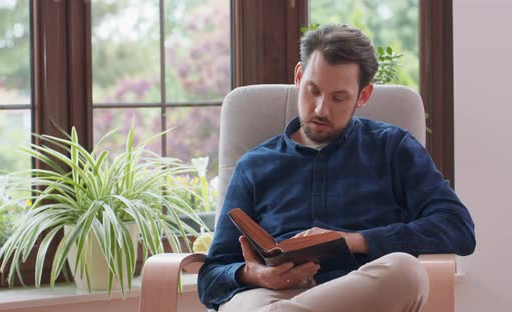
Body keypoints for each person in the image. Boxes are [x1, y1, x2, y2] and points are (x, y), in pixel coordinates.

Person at [198, 24, 476, 312]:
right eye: (313, 90)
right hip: (275, 294)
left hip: (360, 294)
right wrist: (254, 275)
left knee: (407, 271)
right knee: (244, 303)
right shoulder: (254, 165)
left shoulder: (393, 148)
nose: (320, 109)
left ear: (363, 96)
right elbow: (210, 278)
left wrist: (353, 241)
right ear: (298, 77)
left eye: (338, 98)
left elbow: (458, 227)